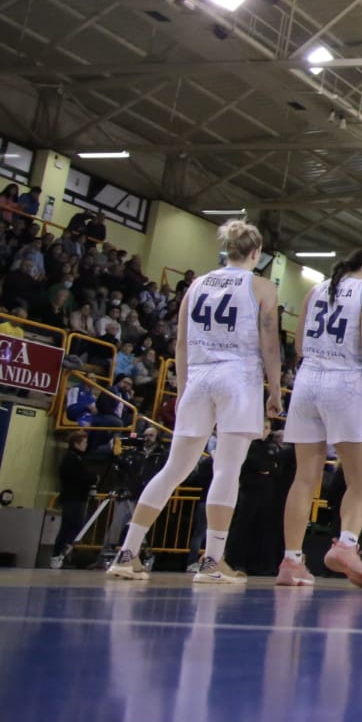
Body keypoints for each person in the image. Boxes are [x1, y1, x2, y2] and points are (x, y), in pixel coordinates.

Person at [107, 219, 282, 584]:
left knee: (173, 468)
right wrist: (276, 388)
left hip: (199, 376)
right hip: (238, 376)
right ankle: (212, 561)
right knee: (227, 469)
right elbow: (269, 343)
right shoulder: (262, 286)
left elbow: (181, 344)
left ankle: (127, 553)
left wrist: (185, 388)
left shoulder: (198, 284)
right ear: (256, 253)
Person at [279, 248, 362, 589]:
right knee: (360, 480)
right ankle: (347, 544)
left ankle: (291, 561)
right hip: (345, 382)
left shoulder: (315, 290)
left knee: (303, 479)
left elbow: (297, 345)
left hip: (307, 379)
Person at [49, 432, 95, 567]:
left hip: (77, 498)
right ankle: (58, 555)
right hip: (72, 498)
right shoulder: (70, 458)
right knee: (69, 527)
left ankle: (63, 554)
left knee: (74, 526)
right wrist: (90, 478)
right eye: (84, 443)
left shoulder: (78, 458)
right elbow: (78, 477)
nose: (86, 445)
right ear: (77, 444)